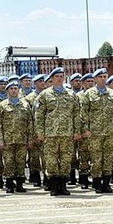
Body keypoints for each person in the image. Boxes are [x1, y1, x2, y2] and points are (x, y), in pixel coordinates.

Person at [34, 67, 81, 196]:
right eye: (57, 76)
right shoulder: (45, 95)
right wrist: (40, 132)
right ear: (52, 78)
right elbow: (39, 115)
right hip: (50, 134)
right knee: (51, 160)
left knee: (66, 160)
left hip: (67, 133)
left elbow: (76, 114)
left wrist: (77, 131)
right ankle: (54, 186)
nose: (59, 78)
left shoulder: (71, 94)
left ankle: (63, 186)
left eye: (61, 76)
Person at [80, 68, 113, 194]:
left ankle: (107, 184)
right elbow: (84, 113)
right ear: (96, 79)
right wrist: (85, 129)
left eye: (105, 76)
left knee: (109, 159)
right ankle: (97, 184)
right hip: (95, 133)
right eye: (100, 77)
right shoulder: (89, 94)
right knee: (96, 159)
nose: (103, 79)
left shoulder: (112, 93)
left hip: (109, 132)